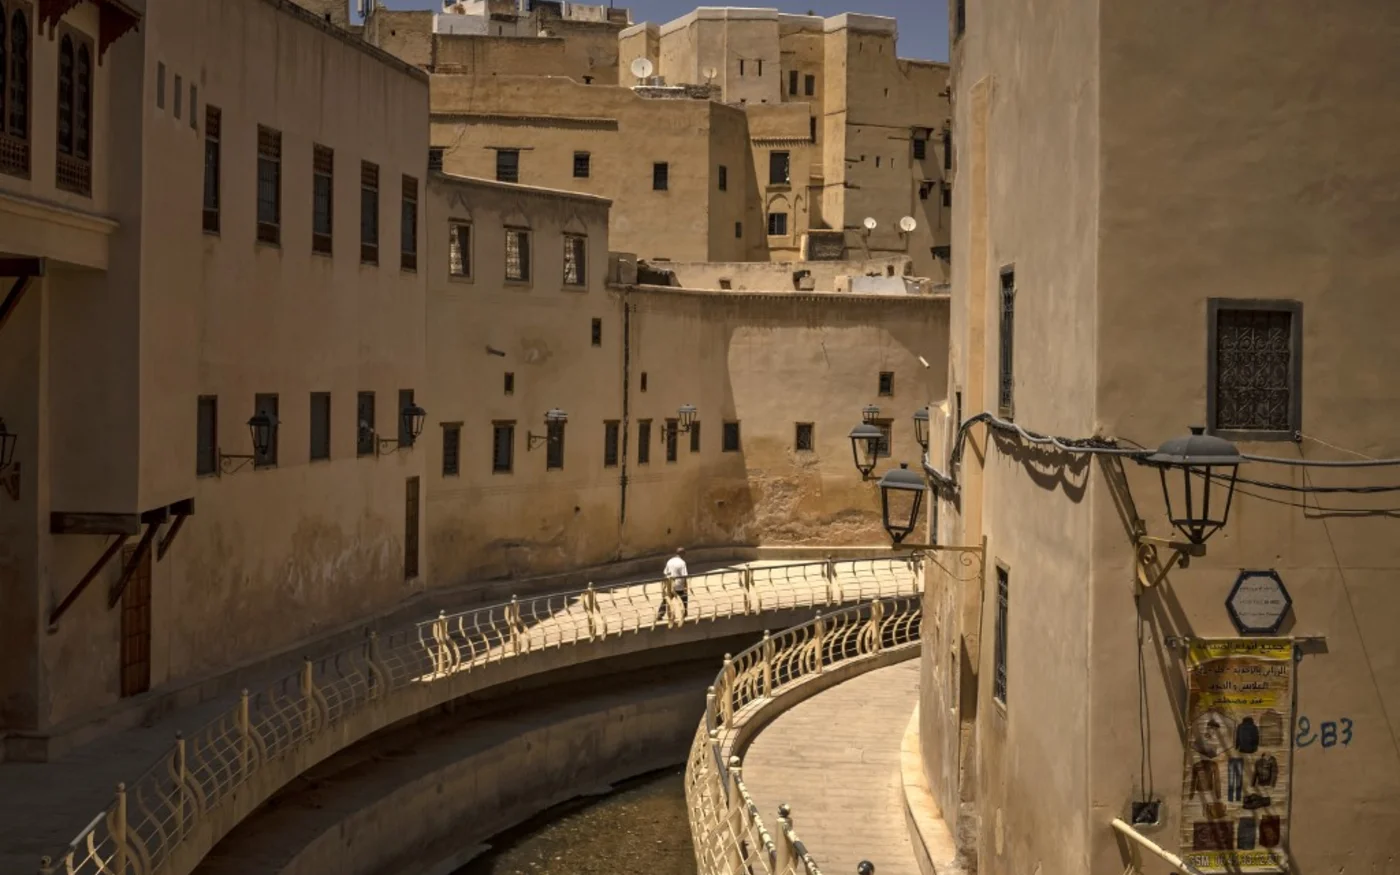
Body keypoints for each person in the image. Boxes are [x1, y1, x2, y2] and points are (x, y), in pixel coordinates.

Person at [658, 547, 689, 623]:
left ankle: (660, 614)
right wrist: (685, 586)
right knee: (684, 598)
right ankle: (684, 613)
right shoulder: (682, 563)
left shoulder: (670, 561)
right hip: (678, 585)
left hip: (670, 584)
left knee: (666, 600)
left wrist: (665, 585)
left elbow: (665, 573)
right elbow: (684, 575)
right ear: (682, 553)